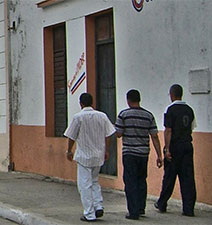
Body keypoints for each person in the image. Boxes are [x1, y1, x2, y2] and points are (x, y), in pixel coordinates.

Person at [64, 93, 116, 222]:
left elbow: (71, 136)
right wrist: (107, 150)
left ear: (81, 103)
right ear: (92, 102)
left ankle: (89, 213)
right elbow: (109, 134)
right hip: (98, 155)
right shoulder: (102, 116)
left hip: (84, 156)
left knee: (84, 185)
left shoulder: (78, 117)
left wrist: (69, 151)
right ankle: (98, 205)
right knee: (94, 181)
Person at [115, 89, 163, 220]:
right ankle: (141, 208)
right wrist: (159, 155)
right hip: (143, 153)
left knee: (130, 182)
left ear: (128, 100)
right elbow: (154, 136)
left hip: (129, 153)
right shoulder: (148, 115)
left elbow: (118, 134)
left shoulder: (123, 115)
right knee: (141, 180)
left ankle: (133, 211)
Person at [155, 84, 197, 217]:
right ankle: (188, 208)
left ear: (171, 95)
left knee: (169, 176)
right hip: (187, 145)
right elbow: (192, 127)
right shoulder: (189, 110)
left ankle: (162, 203)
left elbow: (168, 130)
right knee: (188, 177)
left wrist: (167, 149)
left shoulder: (170, 110)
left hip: (175, 146)